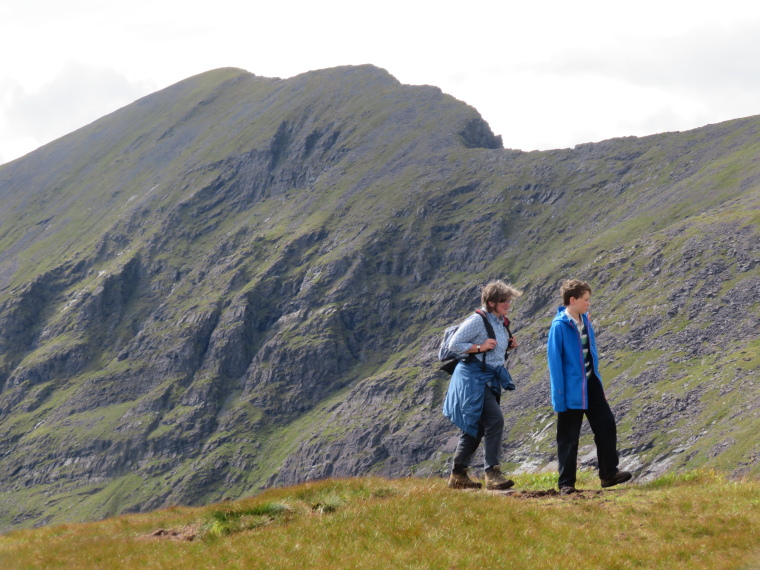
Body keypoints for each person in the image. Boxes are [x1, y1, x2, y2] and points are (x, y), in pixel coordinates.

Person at [547, 279, 632, 494]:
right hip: (570, 389)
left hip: (590, 383)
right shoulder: (559, 326)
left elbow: (591, 354)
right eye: (585, 300)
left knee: (606, 425)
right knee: (568, 436)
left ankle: (608, 474)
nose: (588, 303)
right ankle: (566, 484)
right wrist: (559, 398)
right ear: (572, 300)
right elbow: (554, 364)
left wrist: (598, 382)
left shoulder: (585, 320)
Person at [443, 280, 521, 490]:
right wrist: (479, 346)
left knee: (474, 426)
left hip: (488, 377)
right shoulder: (477, 320)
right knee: (495, 420)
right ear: (491, 301)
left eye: (509, 300)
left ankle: (458, 476)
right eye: (503, 300)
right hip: (472, 378)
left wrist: (508, 347)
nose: (507, 303)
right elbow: (454, 345)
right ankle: (492, 474)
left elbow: (493, 350)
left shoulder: (501, 321)